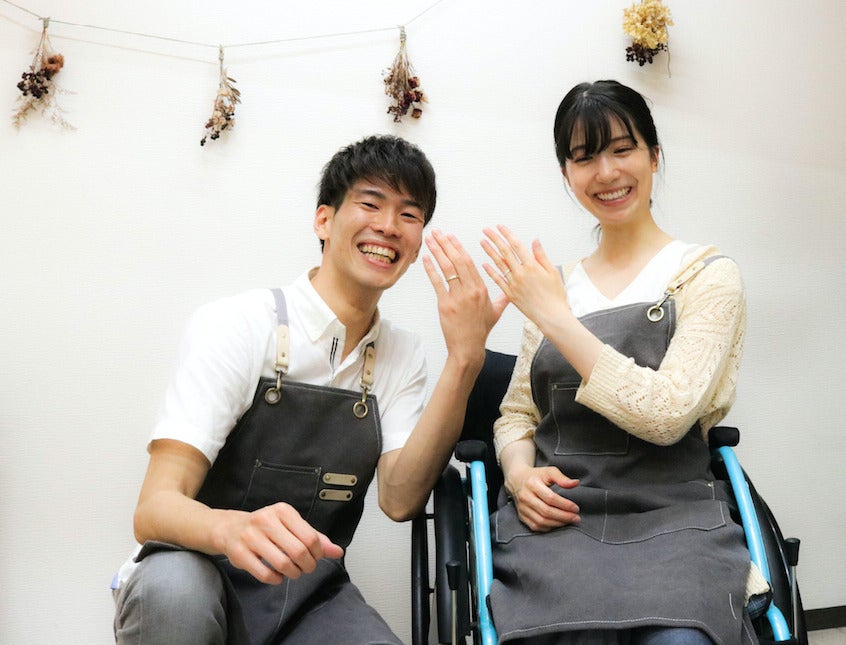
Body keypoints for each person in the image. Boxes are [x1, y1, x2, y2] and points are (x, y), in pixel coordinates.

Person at [112, 134, 507, 644]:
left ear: (416, 246)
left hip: (308, 594)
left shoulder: (401, 355)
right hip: (195, 568)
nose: (389, 226)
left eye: (409, 215)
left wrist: (465, 359)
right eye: (370, 204)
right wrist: (232, 530)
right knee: (174, 594)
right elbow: (154, 508)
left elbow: (400, 499)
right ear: (324, 220)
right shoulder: (237, 324)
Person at [479, 81, 768, 644]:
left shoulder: (707, 276)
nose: (606, 172)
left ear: (654, 155)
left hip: (676, 520)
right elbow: (517, 414)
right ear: (566, 173)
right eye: (584, 156)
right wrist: (518, 475)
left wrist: (557, 317)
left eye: (622, 149)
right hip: (560, 524)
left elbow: (666, 415)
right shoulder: (553, 285)